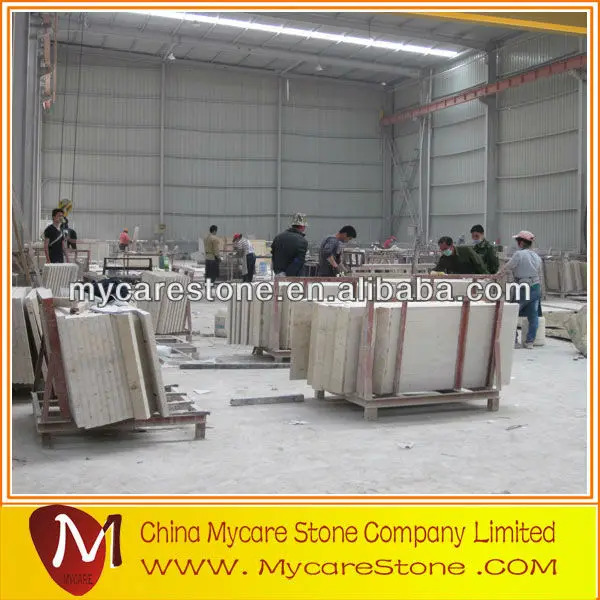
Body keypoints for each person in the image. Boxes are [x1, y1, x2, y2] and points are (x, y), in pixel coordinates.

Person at [495, 230, 543, 350]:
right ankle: (530, 342)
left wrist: (497, 275)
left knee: (513, 313)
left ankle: (515, 341)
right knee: (533, 316)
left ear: (521, 243)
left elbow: (508, 266)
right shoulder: (537, 257)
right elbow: (539, 272)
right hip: (536, 287)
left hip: (523, 287)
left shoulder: (518, 255)